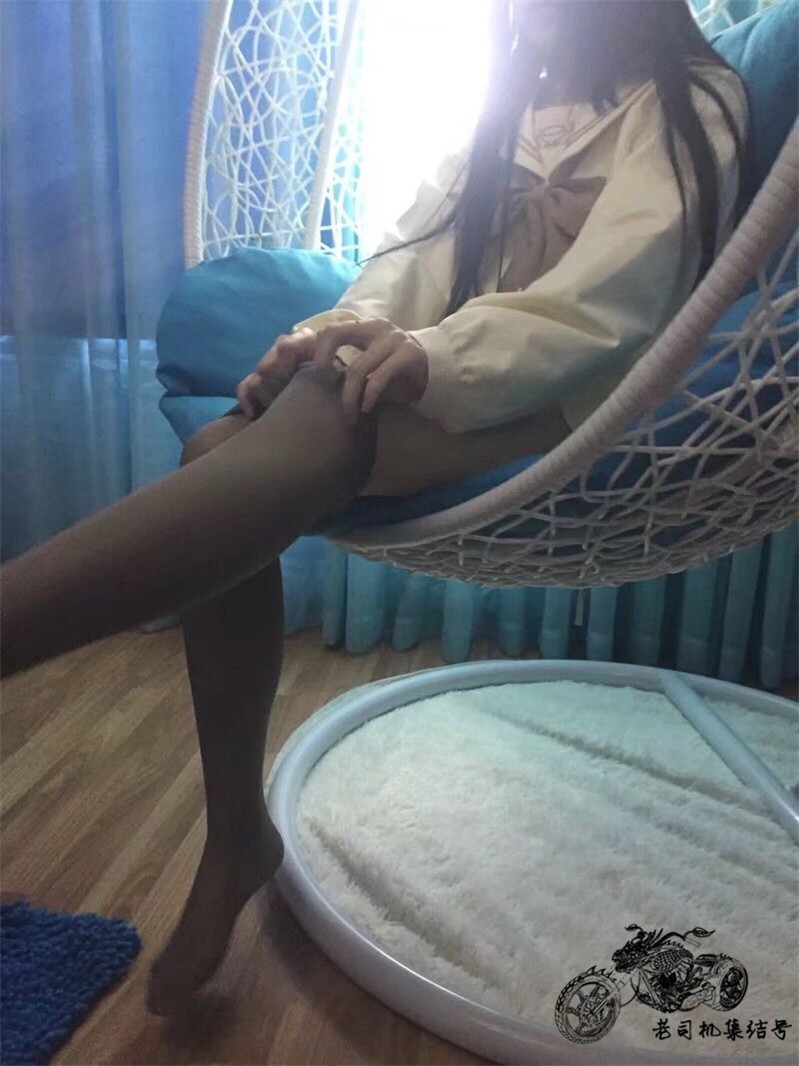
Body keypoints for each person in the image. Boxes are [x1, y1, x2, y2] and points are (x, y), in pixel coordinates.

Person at [0, 0, 748, 1014]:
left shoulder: (694, 99)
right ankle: (236, 837)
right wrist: (343, 329)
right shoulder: (515, 101)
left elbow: (611, 301)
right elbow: (411, 255)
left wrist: (427, 357)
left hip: (577, 403)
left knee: (310, 415)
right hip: (454, 373)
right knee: (227, 440)